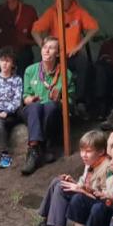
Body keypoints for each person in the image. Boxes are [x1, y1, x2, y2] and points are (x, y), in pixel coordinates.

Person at [26, 130, 112, 226]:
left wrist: (80, 189)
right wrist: (74, 182)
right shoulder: (90, 164)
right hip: (85, 197)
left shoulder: (107, 167)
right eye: (82, 151)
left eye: (88, 151)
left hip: (96, 206)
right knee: (58, 181)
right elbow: (84, 184)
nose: (84, 155)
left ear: (101, 152)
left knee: (61, 188)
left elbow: (105, 197)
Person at [30, 0, 98, 117]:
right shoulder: (52, 11)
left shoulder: (78, 12)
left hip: (72, 54)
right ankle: (47, 100)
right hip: (56, 55)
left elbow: (94, 28)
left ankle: (80, 102)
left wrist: (79, 45)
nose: (59, 1)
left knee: (84, 64)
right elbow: (35, 30)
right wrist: (43, 46)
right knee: (46, 67)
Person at [19, 36, 74, 176]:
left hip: (53, 114)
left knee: (50, 106)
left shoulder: (66, 74)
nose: (47, 51)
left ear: (57, 53)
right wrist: (30, 99)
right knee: (36, 107)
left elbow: (71, 101)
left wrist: (60, 99)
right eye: (44, 47)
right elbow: (25, 97)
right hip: (33, 111)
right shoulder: (30, 70)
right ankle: (37, 149)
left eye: (51, 48)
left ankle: (36, 150)